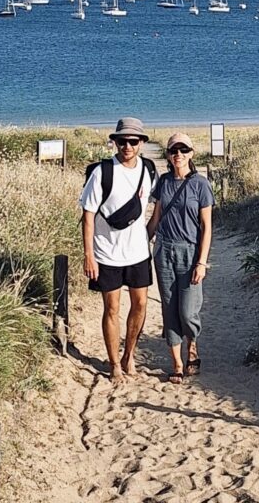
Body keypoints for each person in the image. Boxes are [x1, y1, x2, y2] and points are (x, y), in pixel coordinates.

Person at [80, 117, 158, 384]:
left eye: (133, 141)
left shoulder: (148, 170)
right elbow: (88, 216)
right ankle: (114, 363)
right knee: (111, 308)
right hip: (106, 254)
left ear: (141, 144)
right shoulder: (102, 173)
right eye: (122, 141)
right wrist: (89, 255)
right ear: (114, 142)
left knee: (140, 304)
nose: (127, 146)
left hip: (138, 253)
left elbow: (156, 206)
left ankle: (129, 355)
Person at [146, 131, 214, 384]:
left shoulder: (201, 185)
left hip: (190, 251)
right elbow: (155, 218)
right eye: (174, 150)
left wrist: (202, 262)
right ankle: (176, 361)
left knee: (188, 310)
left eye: (183, 150)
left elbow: (207, 226)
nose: (178, 155)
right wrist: (140, 243)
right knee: (169, 307)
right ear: (168, 155)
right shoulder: (163, 182)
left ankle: (192, 346)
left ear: (191, 154)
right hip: (163, 249)